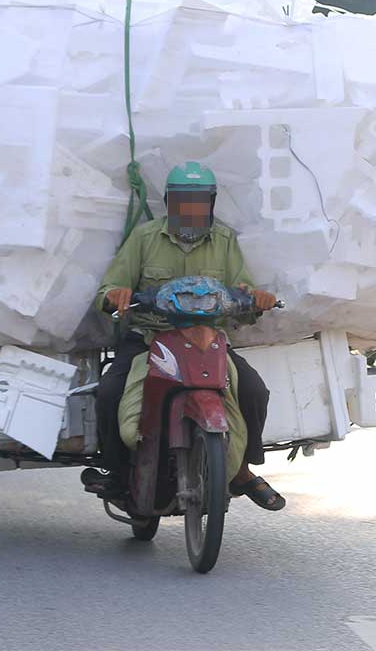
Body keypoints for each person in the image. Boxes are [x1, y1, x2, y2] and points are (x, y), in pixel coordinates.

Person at [86, 162, 286, 511]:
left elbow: (242, 290)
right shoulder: (145, 237)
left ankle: (240, 469)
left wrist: (257, 299)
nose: (191, 209)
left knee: (254, 390)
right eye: (183, 202)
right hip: (151, 336)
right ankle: (118, 473)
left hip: (206, 339)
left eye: (199, 202)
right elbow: (109, 288)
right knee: (109, 392)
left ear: (210, 204)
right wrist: (114, 295)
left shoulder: (225, 241)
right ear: (169, 203)